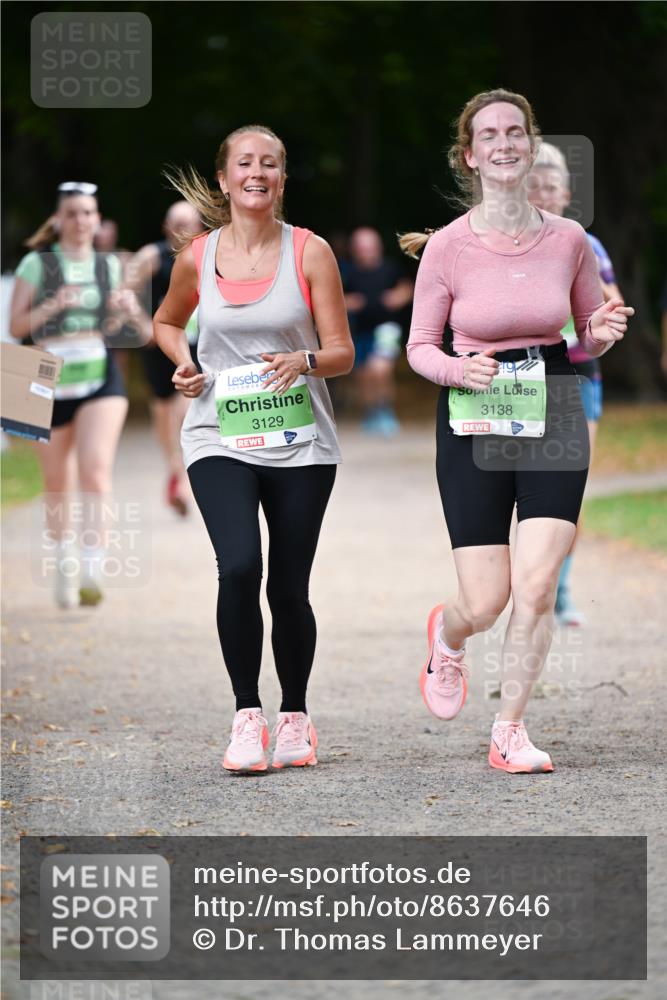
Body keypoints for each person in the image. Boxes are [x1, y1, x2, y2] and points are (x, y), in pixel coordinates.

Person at [401, 89, 633, 774]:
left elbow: (587, 336)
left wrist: (602, 332)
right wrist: (454, 371)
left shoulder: (569, 240)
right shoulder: (445, 249)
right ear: (470, 155)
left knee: (535, 587)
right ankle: (447, 637)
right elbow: (419, 348)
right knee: (487, 599)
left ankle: (509, 730)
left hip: (554, 401)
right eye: (489, 135)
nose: (503, 143)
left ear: (528, 146)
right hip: (474, 411)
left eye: (515, 132)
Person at [153, 125, 354, 773]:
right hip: (219, 434)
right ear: (224, 177)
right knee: (239, 566)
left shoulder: (310, 252)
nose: (257, 172)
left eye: (270, 163)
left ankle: (293, 716)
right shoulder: (197, 256)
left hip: (300, 442)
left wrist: (304, 360)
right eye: (245, 163)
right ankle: (246, 716)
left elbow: (342, 353)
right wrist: (183, 362)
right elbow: (163, 321)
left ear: (283, 179)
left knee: (288, 588)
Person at [9, 182, 141, 608]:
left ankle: (92, 570)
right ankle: (63, 559)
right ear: (58, 220)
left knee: (96, 471)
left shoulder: (111, 267)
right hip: (48, 382)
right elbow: (15, 328)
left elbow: (138, 332)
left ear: (97, 219)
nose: (82, 221)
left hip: (100, 379)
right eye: (73, 213)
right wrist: (53, 305)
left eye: (89, 213)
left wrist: (127, 309)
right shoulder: (37, 264)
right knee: (55, 481)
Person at [528, 142, 623, 626]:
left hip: (580, 374)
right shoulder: (513, 243)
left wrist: (588, 283)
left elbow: (616, 303)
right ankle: (526, 589)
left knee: (571, 488)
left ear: (566, 194)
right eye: (535, 187)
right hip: (523, 378)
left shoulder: (589, 243)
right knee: (520, 491)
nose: (544, 196)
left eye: (552, 188)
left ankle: (560, 589)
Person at [124, 201, 203, 515]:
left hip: (195, 345)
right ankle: (175, 472)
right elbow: (124, 292)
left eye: (189, 223)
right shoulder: (152, 256)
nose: (182, 228)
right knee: (163, 415)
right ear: (166, 226)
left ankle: (181, 482)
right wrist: (144, 327)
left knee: (186, 413)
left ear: (199, 226)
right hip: (159, 347)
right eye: (176, 222)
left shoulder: (209, 254)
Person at [343, 227, 413, 436]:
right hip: (361, 331)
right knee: (364, 376)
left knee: (380, 369)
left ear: (378, 247)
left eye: (369, 247)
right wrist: (350, 303)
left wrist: (397, 297)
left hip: (386, 329)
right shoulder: (348, 273)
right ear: (354, 250)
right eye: (361, 247)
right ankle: (372, 412)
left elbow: (407, 288)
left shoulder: (390, 268)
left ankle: (386, 411)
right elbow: (337, 299)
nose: (366, 251)